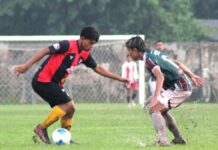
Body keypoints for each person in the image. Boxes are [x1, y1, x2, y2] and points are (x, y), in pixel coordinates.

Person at [14, 26, 129, 144]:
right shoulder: (67, 45)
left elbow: (98, 68)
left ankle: (65, 137)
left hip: (54, 83)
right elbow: (45, 50)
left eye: (93, 44)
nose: (91, 46)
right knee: (69, 105)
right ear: (82, 38)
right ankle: (41, 128)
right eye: (89, 43)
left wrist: (119, 78)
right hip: (42, 80)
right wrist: (26, 66)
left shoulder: (84, 54)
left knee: (71, 109)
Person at [125, 36, 204, 146]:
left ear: (135, 50)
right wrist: (192, 75)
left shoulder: (149, 59)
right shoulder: (155, 53)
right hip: (180, 85)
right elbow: (178, 63)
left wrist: (155, 97)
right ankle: (178, 139)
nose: (129, 54)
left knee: (154, 109)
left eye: (129, 51)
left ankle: (163, 141)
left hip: (180, 87)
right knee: (162, 111)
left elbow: (160, 77)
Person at [145, 40, 177, 106]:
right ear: (155, 46)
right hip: (154, 79)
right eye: (158, 45)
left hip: (165, 80)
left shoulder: (165, 56)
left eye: (161, 45)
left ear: (163, 46)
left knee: (163, 94)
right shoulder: (152, 56)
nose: (159, 47)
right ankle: (153, 107)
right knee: (156, 94)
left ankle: (147, 104)